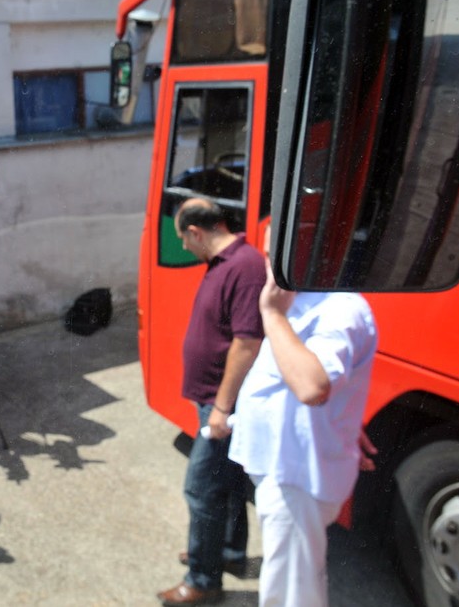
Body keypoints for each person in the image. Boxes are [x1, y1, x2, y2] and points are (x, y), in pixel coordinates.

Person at [229, 252, 378, 607]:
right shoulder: (299, 297)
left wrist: (272, 315)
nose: (266, 262)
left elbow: (311, 385)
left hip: (294, 477)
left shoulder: (340, 309)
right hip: (287, 465)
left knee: (292, 590)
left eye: (272, 252)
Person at [157, 197, 264, 606]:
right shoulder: (225, 262)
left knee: (201, 488)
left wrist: (221, 407)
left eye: (184, 239)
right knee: (231, 483)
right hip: (214, 399)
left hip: (224, 403)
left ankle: (203, 579)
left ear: (197, 232)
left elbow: (246, 341)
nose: (184, 247)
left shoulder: (244, 266)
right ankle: (228, 553)